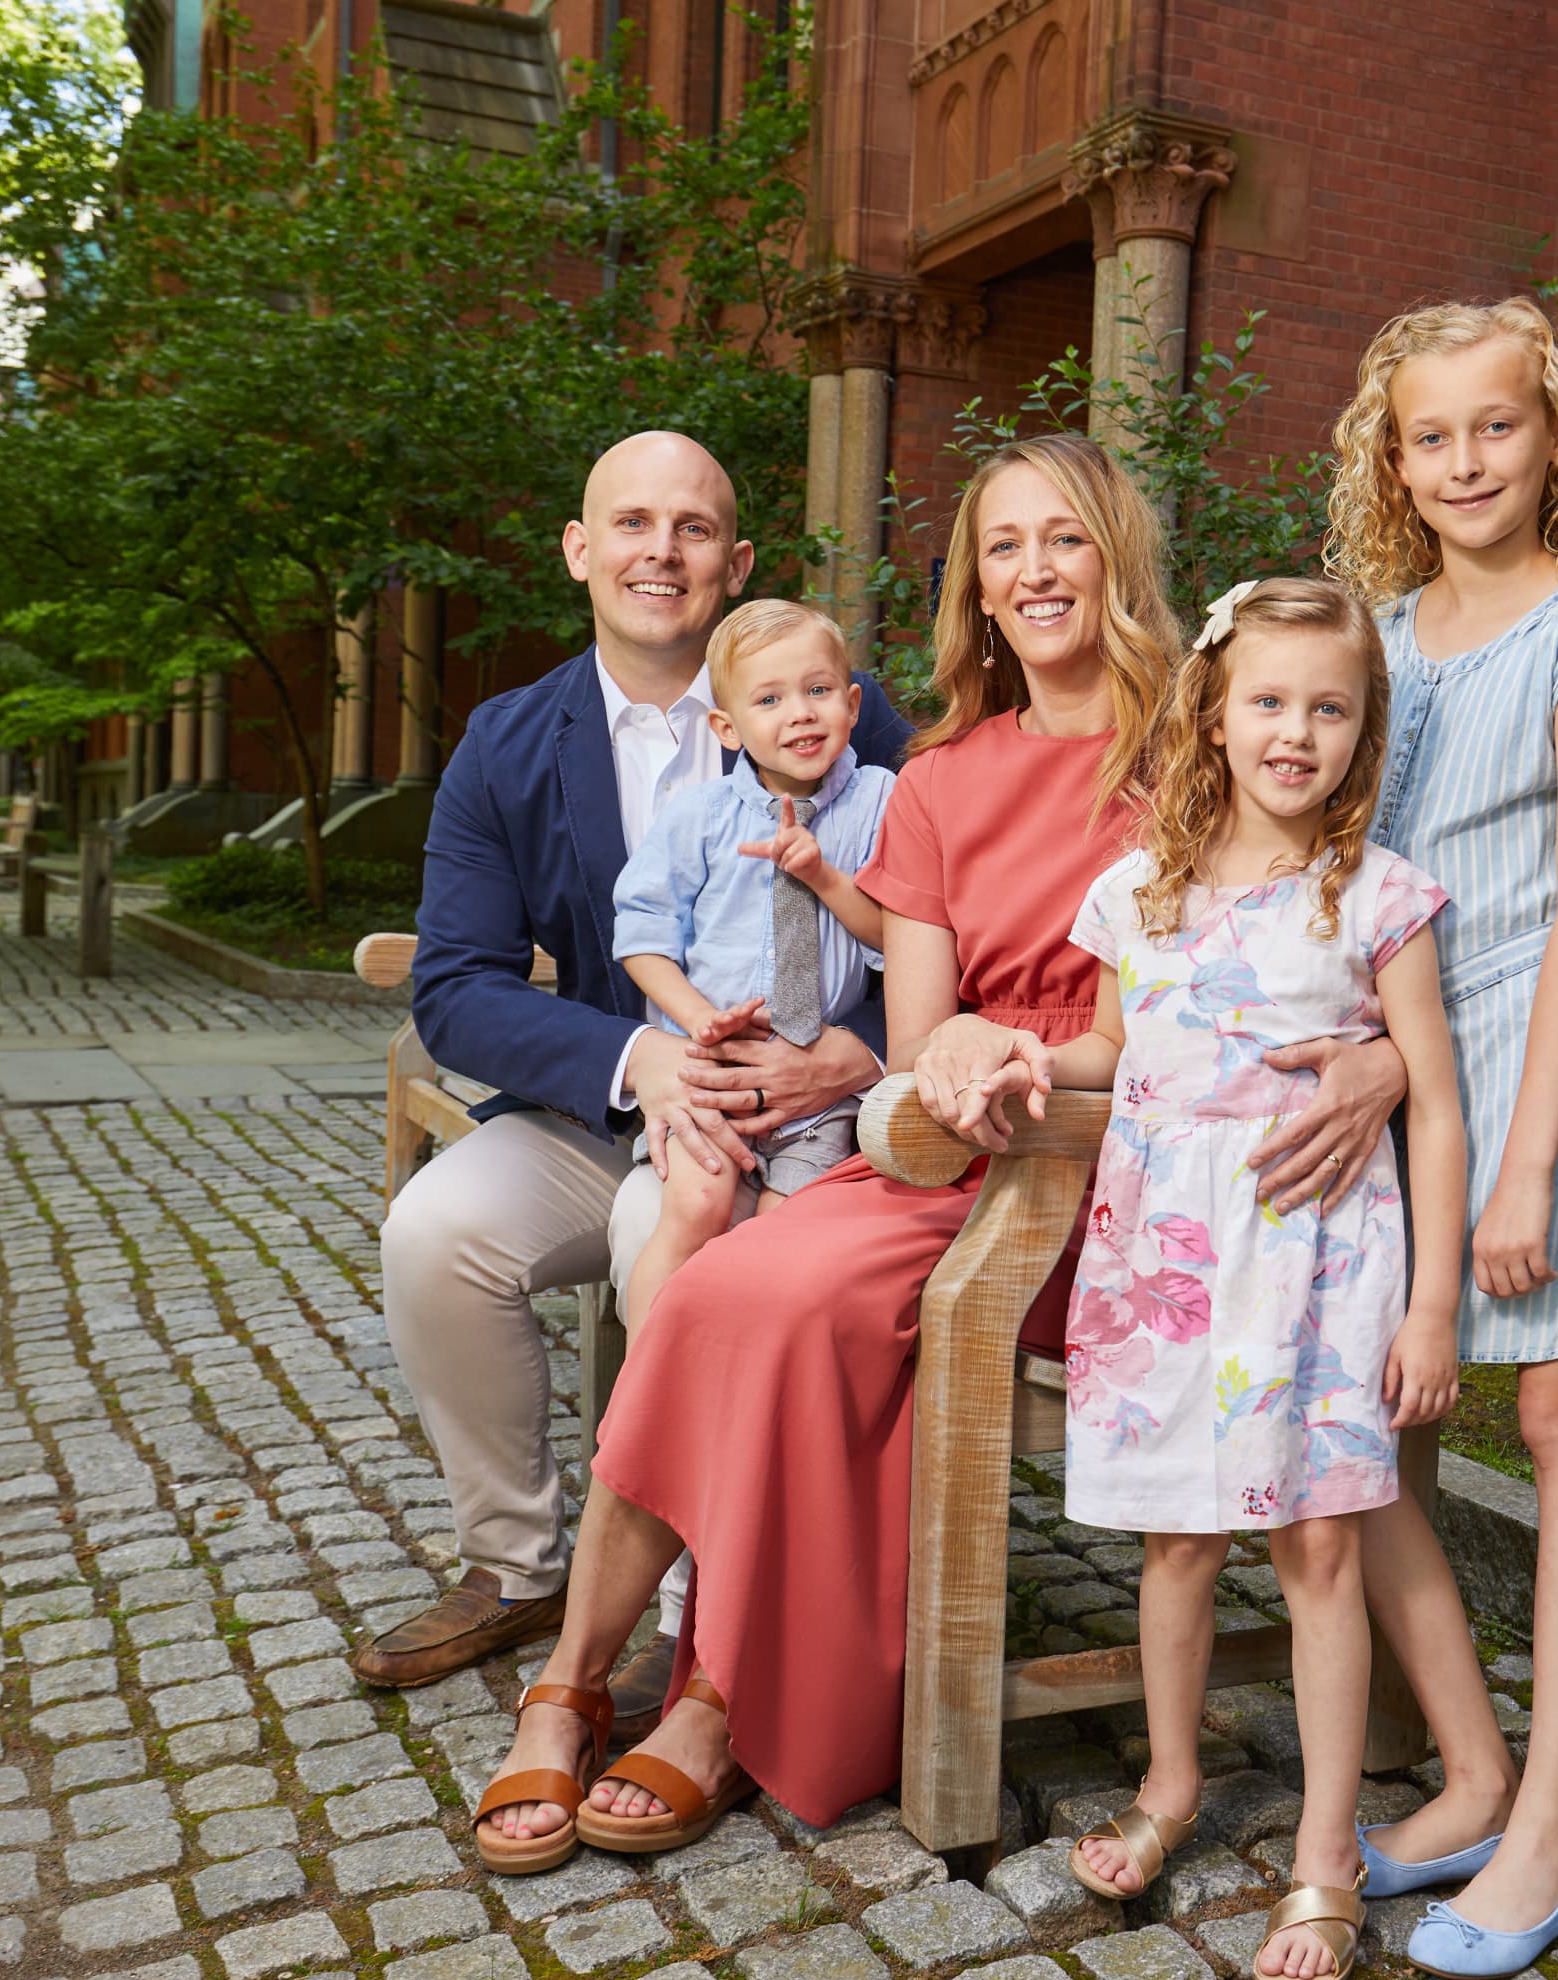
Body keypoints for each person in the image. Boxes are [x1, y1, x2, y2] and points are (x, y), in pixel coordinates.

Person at [464, 433, 1414, 1875]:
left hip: (1139, 1181)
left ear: (1117, 557)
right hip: (955, 1149)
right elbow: (915, 1046)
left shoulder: (1203, 744)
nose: (1036, 571)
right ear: (976, 582)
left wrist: (1389, 1053)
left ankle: (724, 1691)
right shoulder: (941, 779)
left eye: (1066, 538)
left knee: (783, 1304)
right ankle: (578, 1680)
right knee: (721, 1291)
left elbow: (1280, 959)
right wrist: (956, 1053)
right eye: (1005, 545)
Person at [359, 435, 910, 1742]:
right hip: (588, 1105)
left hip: (779, 1119)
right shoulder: (506, 740)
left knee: (681, 1257)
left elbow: (936, 920)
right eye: (635, 524)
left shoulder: (843, 705)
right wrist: (639, 1059)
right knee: (434, 1233)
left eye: (696, 528)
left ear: (737, 563)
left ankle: (701, 1623)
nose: (662, 551)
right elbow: (460, 988)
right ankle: (519, 1567)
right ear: (580, 549)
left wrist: (864, 1047)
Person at [990, 577, 1466, 1980]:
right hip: (1161, 1267)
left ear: (1362, 728)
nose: (1296, 732)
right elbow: (1110, 1051)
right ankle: (1174, 1784)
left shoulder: (1379, 897)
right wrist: (1009, 1053)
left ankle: (1326, 1848)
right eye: (1268, 700)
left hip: (1317, 1265)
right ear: (1212, 711)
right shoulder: (1137, 887)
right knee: (1177, 1545)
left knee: (1321, 1550)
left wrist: (1433, 1304)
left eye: (1330, 708)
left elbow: (1432, 1108)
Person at [1320, 297, 1558, 1979]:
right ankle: (1468, 1768)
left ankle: (1554, 1818)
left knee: (1556, 1405)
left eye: (1497, 428)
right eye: (1431, 436)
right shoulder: (1376, 640)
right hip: (1407, 1062)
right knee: (1386, 1418)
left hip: (1552, 1054)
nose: (1465, 461)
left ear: (1554, 441)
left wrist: (1527, 1161)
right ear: (1393, 462)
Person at [611, 598, 896, 1334]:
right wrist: (696, 1017)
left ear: (853, 702)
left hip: (820, 1097)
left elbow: (898, 937)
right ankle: (645, 1396)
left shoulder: (880, 802)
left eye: (818, 690)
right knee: (692, 1211)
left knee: (785, 1241)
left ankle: (742, 1395)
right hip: (713, 1079)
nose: (799, 713)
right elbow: (643, 933)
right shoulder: (698, 814)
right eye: (769, 699)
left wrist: (827, 877)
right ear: (728, 729)